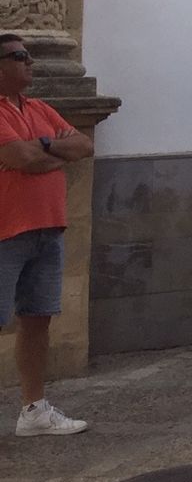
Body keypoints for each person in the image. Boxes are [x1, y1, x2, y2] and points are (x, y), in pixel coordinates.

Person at [0, 33, 94, 437]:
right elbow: (18, 158)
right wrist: (53, 151)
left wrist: (43, 148)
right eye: (20, 56)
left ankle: (34, 409)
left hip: (47, 228)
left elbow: (84, 145)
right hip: (6, 231)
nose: (30, 63)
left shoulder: (39, 108)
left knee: (37, 321)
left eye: (30, 56)